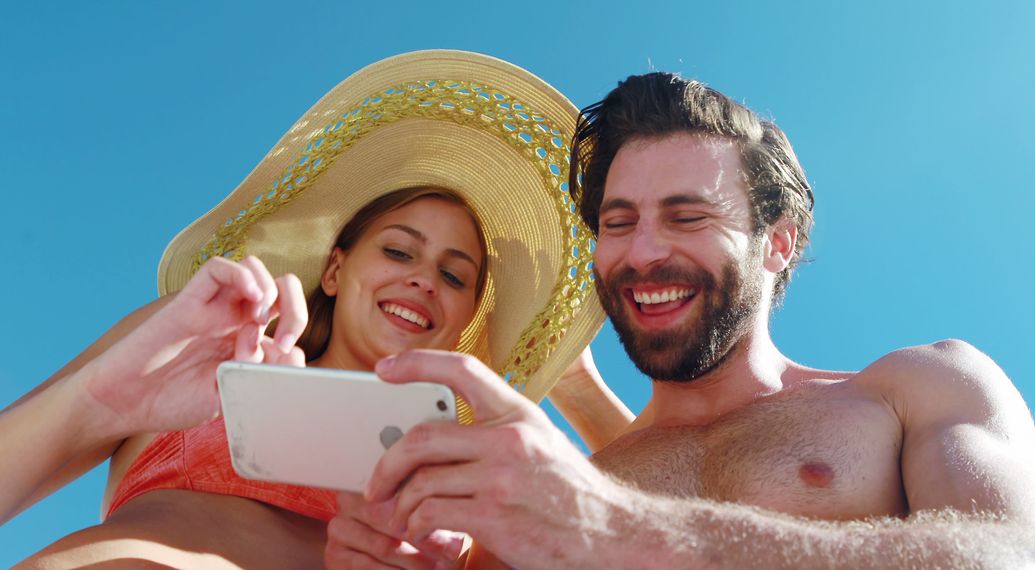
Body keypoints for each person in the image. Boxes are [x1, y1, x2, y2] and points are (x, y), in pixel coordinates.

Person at [326, 72, 1035, 568]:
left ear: (777, 242)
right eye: (618, 223)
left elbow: (1030, 557)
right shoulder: (557, 487)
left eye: (686, 216)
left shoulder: (912, 390)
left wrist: (612, 529)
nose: (643, 252)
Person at [2, 50, 632, 568]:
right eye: (398, 251)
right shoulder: (193, 350)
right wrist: (93, 403)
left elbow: (650, 528)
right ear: (335, 268)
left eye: (452, 274)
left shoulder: (469, 471)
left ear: (466, 317)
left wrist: (573, 384)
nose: (422, 282)